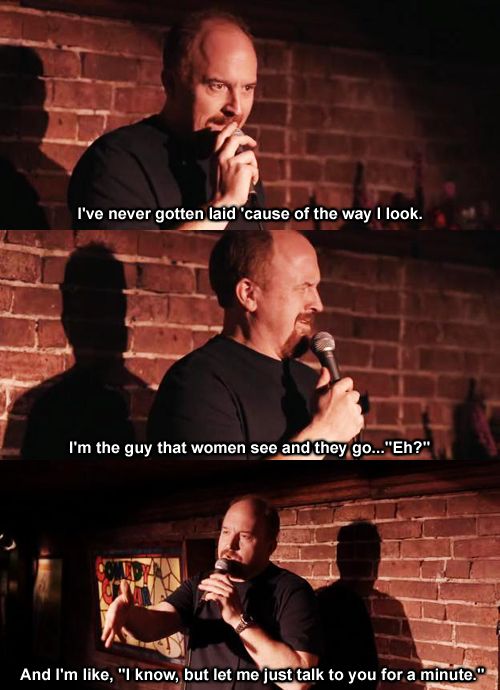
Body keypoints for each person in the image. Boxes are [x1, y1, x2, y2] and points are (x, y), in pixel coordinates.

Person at [148, 230, 364, 460]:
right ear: (248, 294)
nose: (318, 304)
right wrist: (323, 435)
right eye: (304, 287)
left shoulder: (312, 384)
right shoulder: (196, 385)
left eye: (316, 287)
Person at [68, 10, 263, 230]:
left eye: (247, 88)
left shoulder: (239, 165)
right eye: (218, 86)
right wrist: (225, 204)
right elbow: (134, 252)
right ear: (171, 84)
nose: (236, 108)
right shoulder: (115, 162)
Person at [101, 496, 322, 690]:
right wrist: (129, 615)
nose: (230, 544)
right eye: (225, 532)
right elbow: (154, 624)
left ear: (270, 547)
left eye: (245, 536)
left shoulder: (293, 592)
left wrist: (238, 619)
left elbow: (299, 681)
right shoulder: (201, 583)